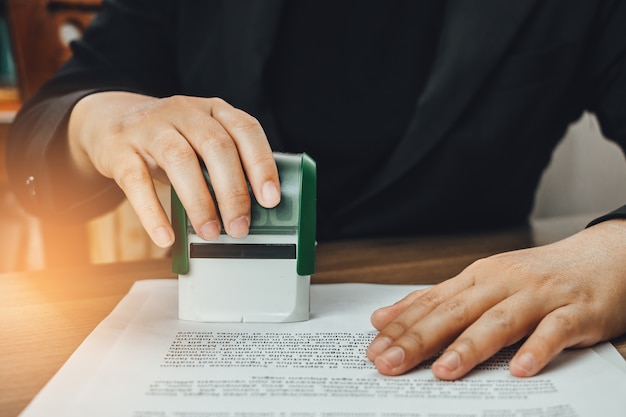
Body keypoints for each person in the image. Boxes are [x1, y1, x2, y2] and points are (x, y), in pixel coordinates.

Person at [7, 0, 626, 380]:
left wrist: (614, 253)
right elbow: (42, 127)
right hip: (214, 324)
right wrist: (96, 120)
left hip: (460, 313)